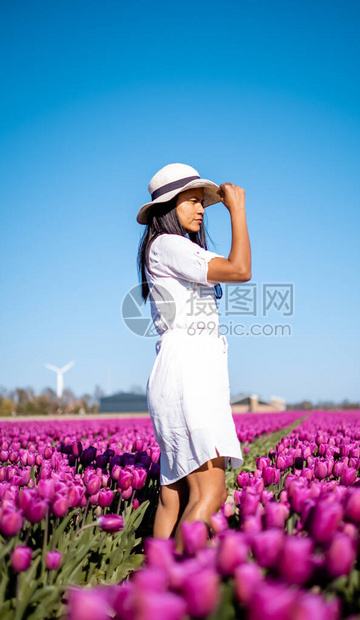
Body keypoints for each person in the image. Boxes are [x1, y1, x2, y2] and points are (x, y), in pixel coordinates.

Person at [136, 162, 251, 553]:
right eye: (192, 200)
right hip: (190, 376)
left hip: (176, 373)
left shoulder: (167, 249)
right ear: (168, 207)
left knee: (174, 494)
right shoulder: (170, 246)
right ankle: (173, 586)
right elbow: (240, 269)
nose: (202, 208)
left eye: (204, 201)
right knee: (211, 494)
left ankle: (150, 585)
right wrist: (237, 210)